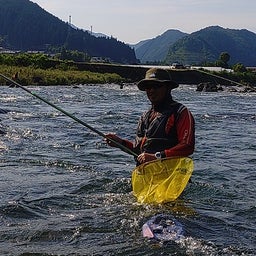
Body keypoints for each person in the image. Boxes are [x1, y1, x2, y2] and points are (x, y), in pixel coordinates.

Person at [106, 67, 195, 165]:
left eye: (156, 86)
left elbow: (187, 147)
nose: (151, 90)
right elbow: (138, 151)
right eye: (148, 87)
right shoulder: (145, 116)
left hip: (171, 177)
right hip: (145, 176)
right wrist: (120, 143)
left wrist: (157, 157)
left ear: (168, 88)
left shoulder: (181, 112)